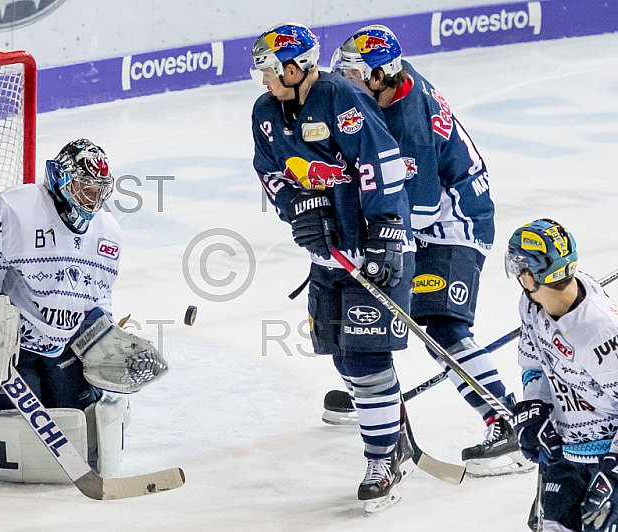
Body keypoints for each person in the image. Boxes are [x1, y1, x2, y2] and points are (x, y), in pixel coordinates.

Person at [324, 24, 529, 476]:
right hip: (422, 218)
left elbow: (415, 210)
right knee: (347, 301)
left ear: (382, 75)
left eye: (353, 75)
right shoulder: (386, 88)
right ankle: (375, 397)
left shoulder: (408, 121)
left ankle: (506, 417)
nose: (344, 83)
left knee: (439, 321)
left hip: (451, 224)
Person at [250, 22, 415, 511]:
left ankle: (382, 460)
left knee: (367, 359)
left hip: (372, 248)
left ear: (296, 66)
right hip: (327, 255)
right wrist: (299, 207)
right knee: (343, 356)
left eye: (269, 70)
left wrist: (385, 235)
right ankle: (391, 428)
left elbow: (382, 164)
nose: (263, 80)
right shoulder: (264, 112)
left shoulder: (340, 98)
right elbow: (269, 170)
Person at [0, 138, 120, 412]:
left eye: (97, 190)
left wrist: (104, 333)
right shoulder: (17, 209)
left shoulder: (109, 232)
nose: (91, 199)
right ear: (60, 179)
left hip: (60, 342)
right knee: (12, 420)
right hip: (2, 336)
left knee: (80, 414)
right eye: (83, 187)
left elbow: (99, 297)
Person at [507, 218, 618, 532]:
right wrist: (536, 408)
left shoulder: (600, 333)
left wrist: (615, 472)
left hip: (607, 456)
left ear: (530, 276)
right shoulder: (531, 306)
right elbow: (534, 364)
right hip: (565, 454)